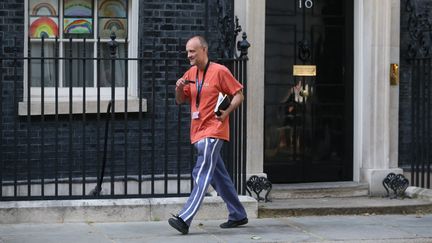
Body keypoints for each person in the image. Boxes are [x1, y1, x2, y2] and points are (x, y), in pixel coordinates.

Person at [168, 35, 248, 235]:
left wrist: (226, 113)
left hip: (214, 130)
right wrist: (178, 88)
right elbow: (180, 100)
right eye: (187, 51)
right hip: (197, 131)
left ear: (203, 50)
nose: (189, 55)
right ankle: (238, 214)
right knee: (218, 175)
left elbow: (239, 94)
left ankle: (185, 218)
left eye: (192, 51)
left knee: (201, 171)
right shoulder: (191, 72)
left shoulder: (220, 71)